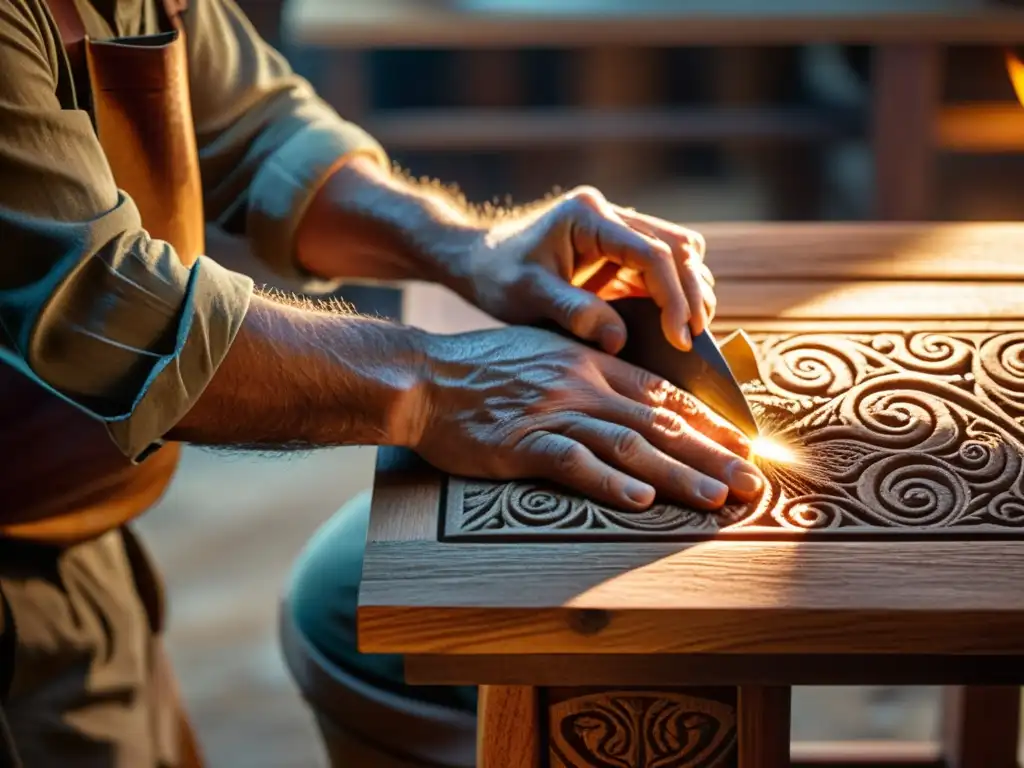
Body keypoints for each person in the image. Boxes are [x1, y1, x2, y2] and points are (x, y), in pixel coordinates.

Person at [0, 0, 764, 764]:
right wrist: (434, 384)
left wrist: (471, 244)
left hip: (80, 526)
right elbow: (111, 310)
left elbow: (256, 132)